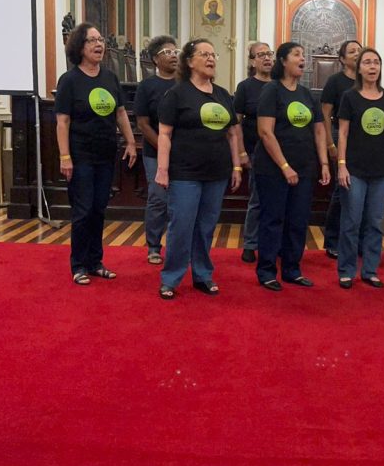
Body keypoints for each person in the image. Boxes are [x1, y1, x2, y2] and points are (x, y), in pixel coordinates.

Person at [155, 39, 243, 300]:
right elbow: (164, 134)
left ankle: (203, 275)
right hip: (185, 173)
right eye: (204, 54)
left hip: (216, 173)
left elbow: (232, 134)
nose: (211, 59)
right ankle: (171, 277)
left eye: (213, 54)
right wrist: (162, 169)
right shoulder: (177, 94)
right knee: (181, 226)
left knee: (205, 227)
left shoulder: (223, 95)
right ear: (189, 61)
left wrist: (236, 165)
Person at [55, 22, 138, 285]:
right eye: (92, 40)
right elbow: (62, 122)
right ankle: (78, 264)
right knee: (82, 210)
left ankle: (95, 261)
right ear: (79, 47)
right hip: (80, 155)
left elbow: (121, 113)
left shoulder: (110, 77)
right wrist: (64, 156)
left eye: (100, 40)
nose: (99, 44)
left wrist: (131, 142)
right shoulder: (69, 80)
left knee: (99, 209)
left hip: (106, 153)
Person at [255, 41, 330, 291]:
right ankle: (266, 270)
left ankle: (292, 269)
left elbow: (319, 130)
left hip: (305, 167)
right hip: (274, 169)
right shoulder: (271, 91)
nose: (303, 59)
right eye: (297, 54)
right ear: (283, 61)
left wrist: (323, 163)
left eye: (303, 55)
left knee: (298, 220)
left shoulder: (307, 94)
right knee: (273, 219)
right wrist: (285, 166)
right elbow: (265, 132)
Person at [335, 48, 384, 288]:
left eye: (376, 62)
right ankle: (347, 270)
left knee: (375, 222)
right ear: (359, 68)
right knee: (351, 222)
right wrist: (341, 165)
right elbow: (342, 133)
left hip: (381, 169)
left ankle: (370, 270)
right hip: (354, 170)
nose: (372, 66)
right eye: (367, 62)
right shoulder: (349, 98)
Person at [133, 35, 179, 265]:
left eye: (175, 51)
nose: (174, 55)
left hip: (183, 154)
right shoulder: (147, 86)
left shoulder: (185, 84)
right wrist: (163, 146)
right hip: (154, 152)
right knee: (158, 198)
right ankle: (153, 246)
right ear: (154, 59)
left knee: (179, 201)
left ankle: (176, 246)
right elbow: (142, 123)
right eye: (167, 52)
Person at [320, 39, 362, 259]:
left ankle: (358, 240)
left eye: (360, 50)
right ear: (343, 59)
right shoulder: (335, 81)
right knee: (341, 189)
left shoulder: (367, 80)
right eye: (352, 51)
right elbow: (325, 114)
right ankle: (333, 240)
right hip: (339, 134)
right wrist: (330, 143)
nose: (358, 53)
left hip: (363, 139)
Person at [234, 41, 275, 263]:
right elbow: (236, 123)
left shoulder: (279, 85)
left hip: (279, 152)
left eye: (269, 54)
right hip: (254, 150)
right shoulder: (245, 87)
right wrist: (241, 153)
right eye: (261, 55)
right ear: (252, 61)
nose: (267, 58)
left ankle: (272, 243)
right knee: (257, 199)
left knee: (276, 201)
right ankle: (250, 243)